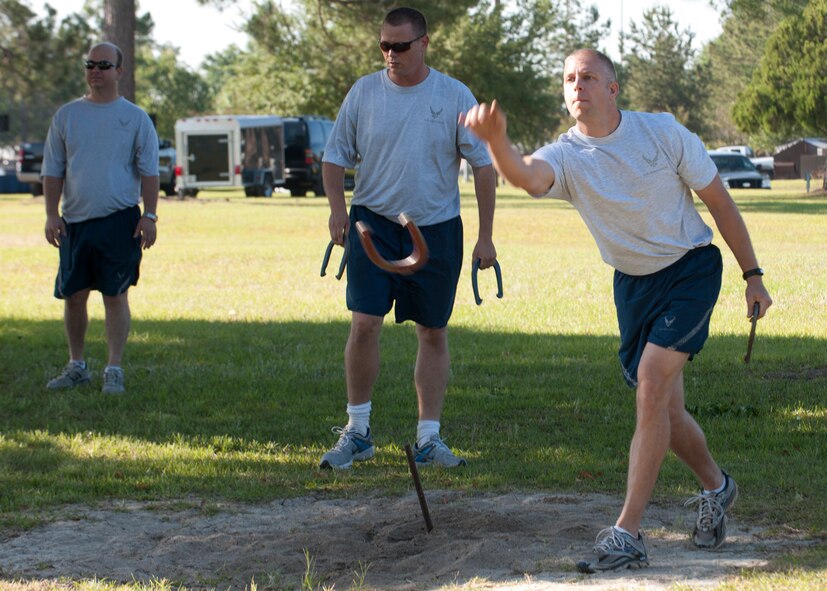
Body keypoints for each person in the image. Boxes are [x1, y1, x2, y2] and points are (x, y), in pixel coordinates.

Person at [461, 49, 772, 572]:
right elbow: (527, 175)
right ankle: (717, 488)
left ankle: (626, 532)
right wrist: (496, 143)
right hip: (633, 286)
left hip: (690, 269)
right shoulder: (565, 154)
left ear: (613, 88)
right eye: (568, 79)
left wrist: (753, 276)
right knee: (666, 412)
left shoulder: (662, 133)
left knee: (651, 385)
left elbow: (719, 201)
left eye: (587, 77)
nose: (577, 85)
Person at [320, 7, 497, 470]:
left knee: (433, 332)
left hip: (436, 228)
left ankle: (428, 439)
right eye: (384, 46)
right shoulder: (364, 92)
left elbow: (483, 165)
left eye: (400, 46)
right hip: (372, 225)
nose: (391, 55)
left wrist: (486, 237)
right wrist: (338, 211)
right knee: (364, 325)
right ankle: (357, 432)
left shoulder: (454, 94)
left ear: (423, 44)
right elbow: (335, 157)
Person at [42, 42, 160, 395]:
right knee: (73, 295)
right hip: (74, 222)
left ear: (119, 71)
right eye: (90, 64)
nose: (95, 70)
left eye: (104, 65)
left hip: (119, 220)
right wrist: (51, 214)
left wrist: (150, 215)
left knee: (115, 294)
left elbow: (149, 171)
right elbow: (52, 170)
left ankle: (114, 368)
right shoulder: (66, 116)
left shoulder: (135, 117)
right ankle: (76, 365)